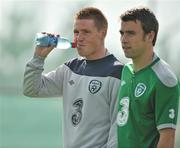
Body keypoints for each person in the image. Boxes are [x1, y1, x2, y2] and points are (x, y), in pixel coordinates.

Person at [23, 7, 123, 148]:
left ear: (103, 33)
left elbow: (118, 130)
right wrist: (39, 57)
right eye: (76, 32)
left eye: (86, 32)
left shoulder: (117, 73)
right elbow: (32, 89)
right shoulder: (70, 68)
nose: (79, 38)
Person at [116, 6, 179, 148]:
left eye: (130, 33)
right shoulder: (126, 70)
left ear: (150, 36)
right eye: (122, 33)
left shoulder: (164, 79)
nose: (123, 39)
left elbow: (167, 138)